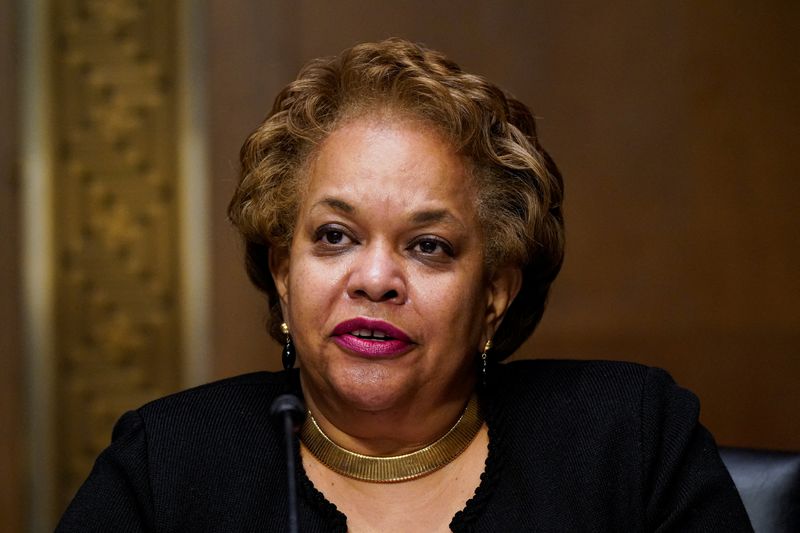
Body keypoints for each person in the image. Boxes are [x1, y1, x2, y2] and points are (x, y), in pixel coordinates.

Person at [58, 38, 752, 532]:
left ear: (493, 297)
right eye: (335, 235)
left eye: (428, 246)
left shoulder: (630, 439)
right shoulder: (165, 465)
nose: (376, 279)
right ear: (281, 269)